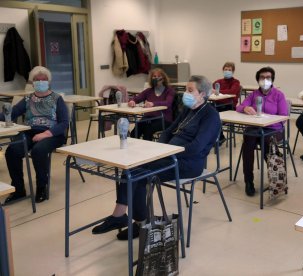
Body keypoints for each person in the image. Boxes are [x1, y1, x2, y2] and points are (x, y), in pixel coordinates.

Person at [91, 75, 221, 240]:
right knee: (131, 168)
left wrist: (168, 151)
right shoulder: (188, 110)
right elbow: (168, 131)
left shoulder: (211, 116)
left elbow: (196, 147)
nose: (185, 94)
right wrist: (158, 148)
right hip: (170, 155)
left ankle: (130, 220)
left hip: (189, 163)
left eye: (190, 90)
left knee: (136, 174)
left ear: (202, 94)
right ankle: (130, 219)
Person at [1, 66, 69, 203]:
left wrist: (46, 134)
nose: (40, 82)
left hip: (52, 134)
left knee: (38, 151)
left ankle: (41, 187)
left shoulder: (57, 99)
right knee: (12, 151)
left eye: (43, 79)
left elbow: (64, 123)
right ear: (32, 82)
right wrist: (4, 114)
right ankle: (18, 189)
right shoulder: (28, 99)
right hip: (30, 132)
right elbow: (12, 113)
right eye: (37, 80)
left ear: (48, 81)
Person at [236, 67, 288, 196]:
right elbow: (239, 107)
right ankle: (249, 181)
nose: (265, 80)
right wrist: (246, 108)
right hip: (255, 128)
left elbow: (284, 117)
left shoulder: (279, 95)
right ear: (258, 79)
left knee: (265, 140)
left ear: (272, 79)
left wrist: (268, 121)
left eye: (268, 77)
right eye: (262, 77)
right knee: (248, 139)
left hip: (274, 129)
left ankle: (275, 177)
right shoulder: (254, 94)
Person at [128, 68, 176, 140]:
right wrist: (132, 101)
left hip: (164, 119)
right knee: (136, 129)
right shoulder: (149, 91)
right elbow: (137, 98)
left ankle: (148, 150)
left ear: (163, 78)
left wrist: (153, 103)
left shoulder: (169, 91)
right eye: (154, 76)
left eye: (158, 76)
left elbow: (168, 103)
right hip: (149, 118)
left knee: (148, 130)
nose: (156, 78)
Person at [212, 61, 241, 144]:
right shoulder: (218, 82)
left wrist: (218, 92)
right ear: (223, 70)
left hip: (229, 106)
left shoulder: (236, 82)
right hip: (218, 104)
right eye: (226, 69)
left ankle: (219, 137)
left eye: (229, 70)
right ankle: (216, 137)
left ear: (233, 71)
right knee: (206, 112)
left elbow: (232, 91)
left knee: (215, 116)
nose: (227, 71)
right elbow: (211, 90)